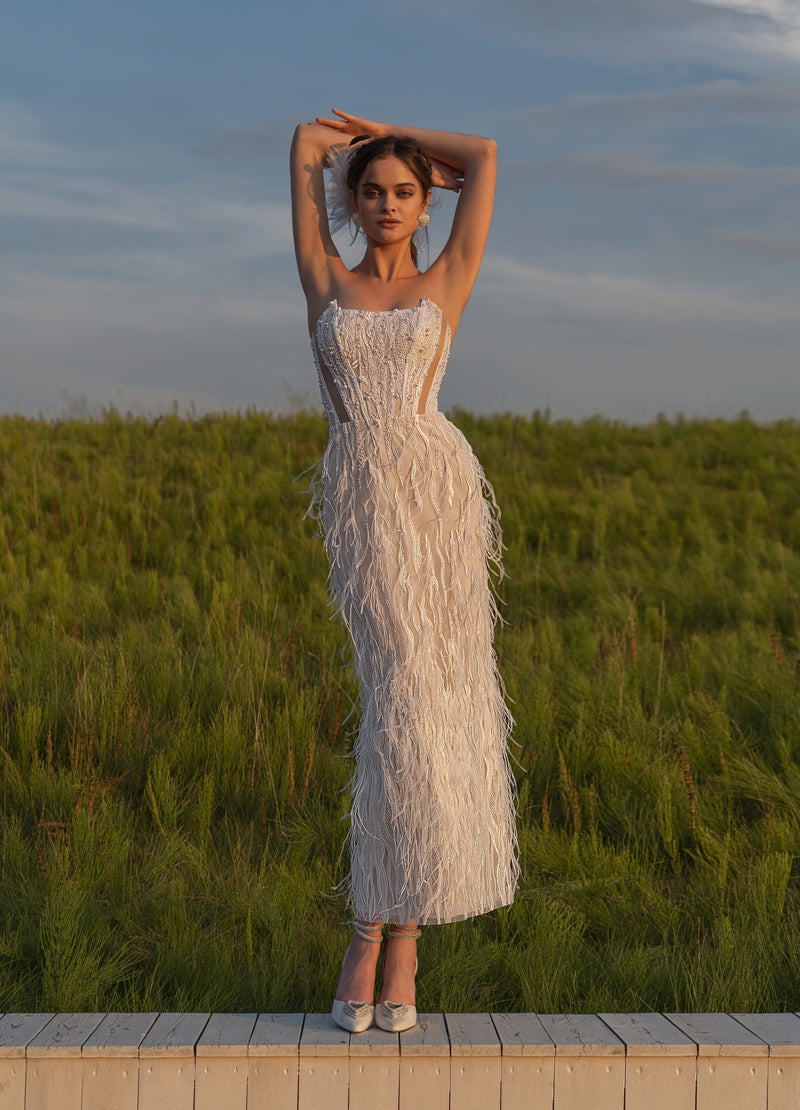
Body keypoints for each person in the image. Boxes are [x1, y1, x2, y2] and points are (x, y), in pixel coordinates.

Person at [290, 109, 519, 1033]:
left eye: (404, 191)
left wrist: (394, 130)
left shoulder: (444, 280)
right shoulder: (325, 279)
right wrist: (340, 150)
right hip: (365, 503)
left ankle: (402, 935)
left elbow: (488, 156)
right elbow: (304, 143)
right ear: (352, 200)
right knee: (399, 698)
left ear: (426, 204)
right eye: (373, 190)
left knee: (435, 701)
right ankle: (367, 931)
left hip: (437, 500)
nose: (387, 205)